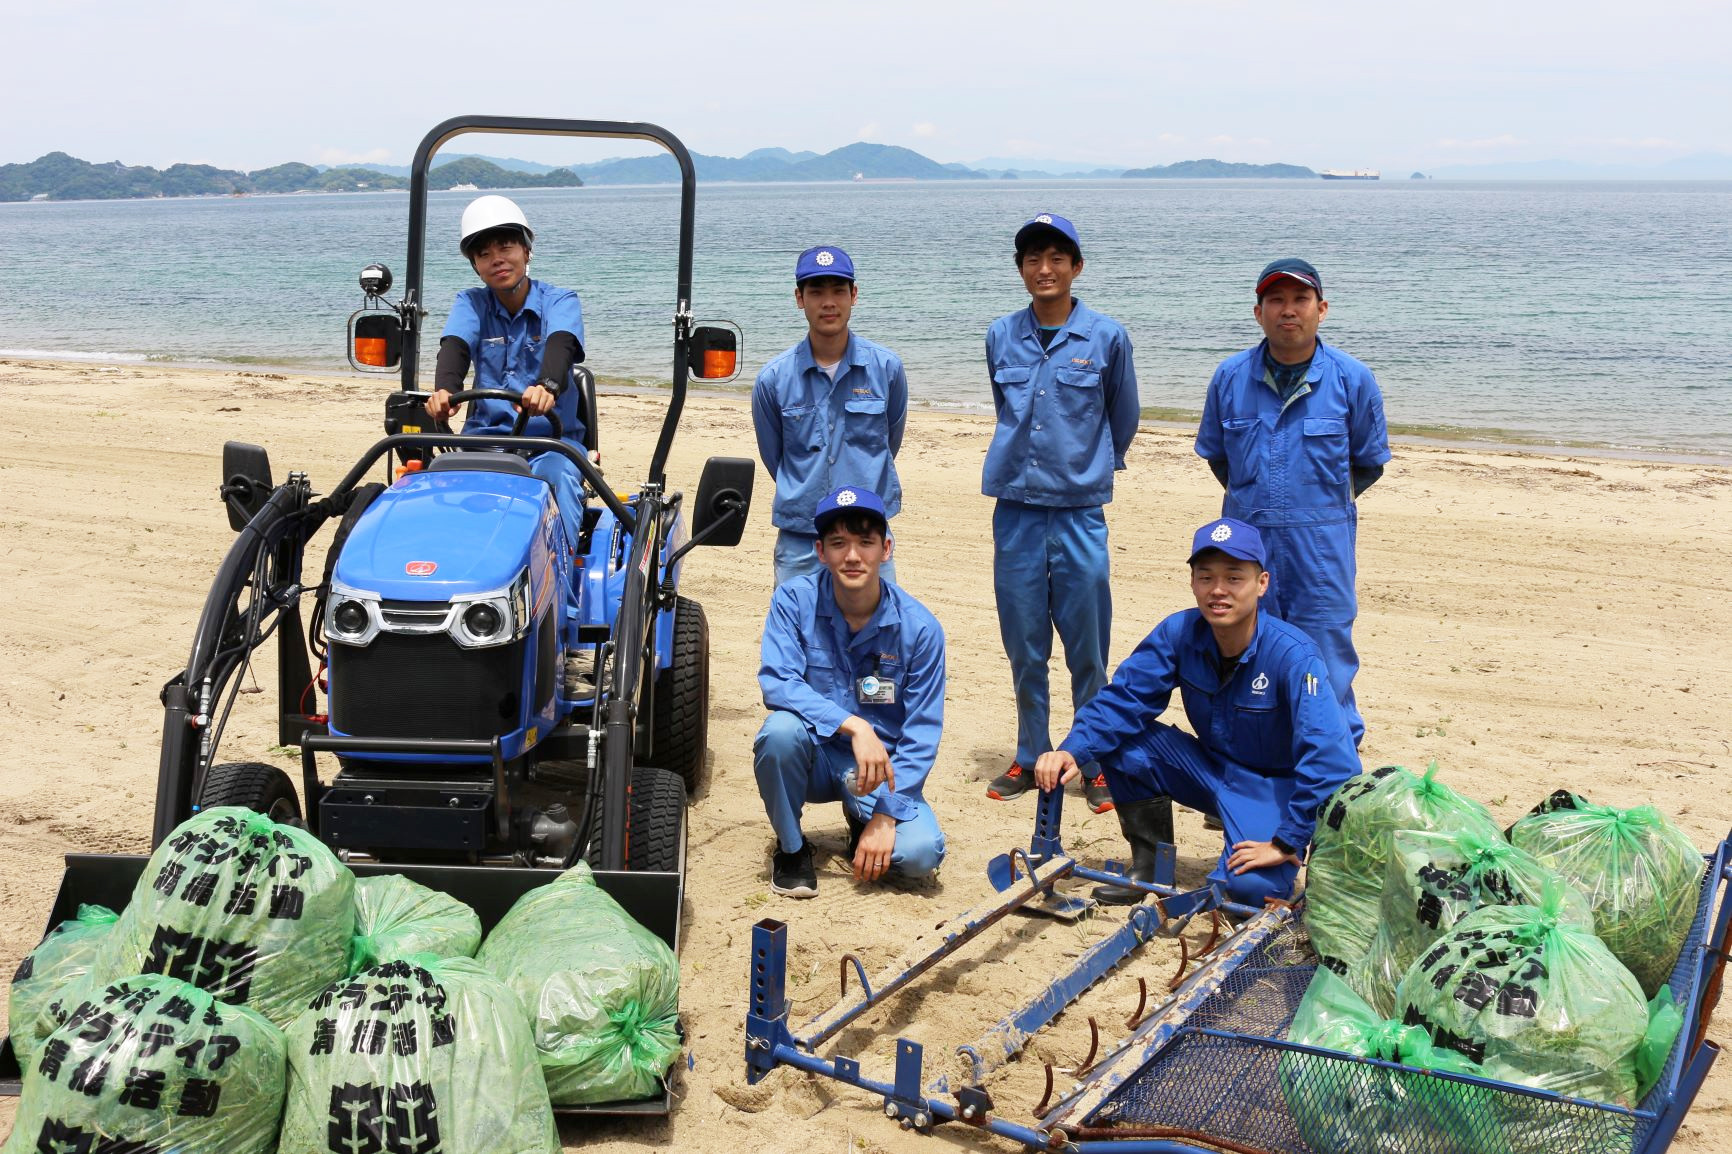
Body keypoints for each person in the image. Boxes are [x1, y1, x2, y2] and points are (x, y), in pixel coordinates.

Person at [1034, 517, 1360, 907]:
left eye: (1234, 578)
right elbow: (1123, 699)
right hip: (1211, 769)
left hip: (1273, 787)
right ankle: (1150, 867)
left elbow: (1331, 759)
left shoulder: (1294, 655)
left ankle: (1265, 849)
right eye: (1205, 578)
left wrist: (1288, 838)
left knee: (1250, 890)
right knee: (1120, 741)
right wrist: (1073, 749)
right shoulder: (1179, 632)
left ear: (1262, 584)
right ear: (1193, 583)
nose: (1218, 591)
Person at [1195, 258, 1390, 746]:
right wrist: (1256, 500)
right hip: (1245, 544)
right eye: (1276, 300)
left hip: (1321, 549)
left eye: (1300, 300)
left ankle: (1332, 775)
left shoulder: (1352, 379)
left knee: (1325, 658)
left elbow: (1368, 462)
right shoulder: (1229, 377)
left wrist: (1317, 506)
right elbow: (1219, 458)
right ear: (1257, 312)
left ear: (1321, 309)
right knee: (1246, 653)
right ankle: (1250, 774)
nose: (1288, 310)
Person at [981, 213, 1139, 815]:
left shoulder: (1106, 337)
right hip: (1016, 511)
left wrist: (1088, 466)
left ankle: (1093, 758)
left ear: (1076, 267)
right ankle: (1029, 751)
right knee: (1024, 643)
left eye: (1056, 258)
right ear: (1021, 269)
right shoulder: (1000, 335)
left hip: (1078, 514)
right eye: (1031, 260)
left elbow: (1121, 416)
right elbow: (1006, 406)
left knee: (1088, 646)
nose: (1043, 270)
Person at [754, 485, 946, 897]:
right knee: (779, 731)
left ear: (886, 549)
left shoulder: (921, 629)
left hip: (878, 770)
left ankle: (863, 819)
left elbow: (922, 733)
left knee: (919, 856)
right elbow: (777, 681)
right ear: (821, 552)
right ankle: (791, 849)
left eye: (865, 542)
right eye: (839, 543)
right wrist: (855, 725)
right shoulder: (793, 601)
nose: (853, 556)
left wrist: (886, 816)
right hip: (815, 756)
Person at [424, 194, 589, 610]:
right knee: (437, 491)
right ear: (475, 265)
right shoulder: (471, 303)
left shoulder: (560, 300)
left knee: (558, 478)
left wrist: (547, 386)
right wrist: (444, 389)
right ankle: (451, 596)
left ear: (526, 250)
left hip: (548, 444)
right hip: (484, 442)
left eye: (506, 247)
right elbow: (456, 346)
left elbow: (562, 344)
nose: (497, 259)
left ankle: (560, 604)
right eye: (484, 253)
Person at [752, 245, 909, 586]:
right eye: (816, 291)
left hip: (867, 535)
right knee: (798, 634)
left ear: (854, 295)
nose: (828, 302)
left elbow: (889, 443)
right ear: (799, 298)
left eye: (838, 290)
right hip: (801, 538)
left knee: (876, 635)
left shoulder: (886, 369)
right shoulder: (773, 380)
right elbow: (775, 457)